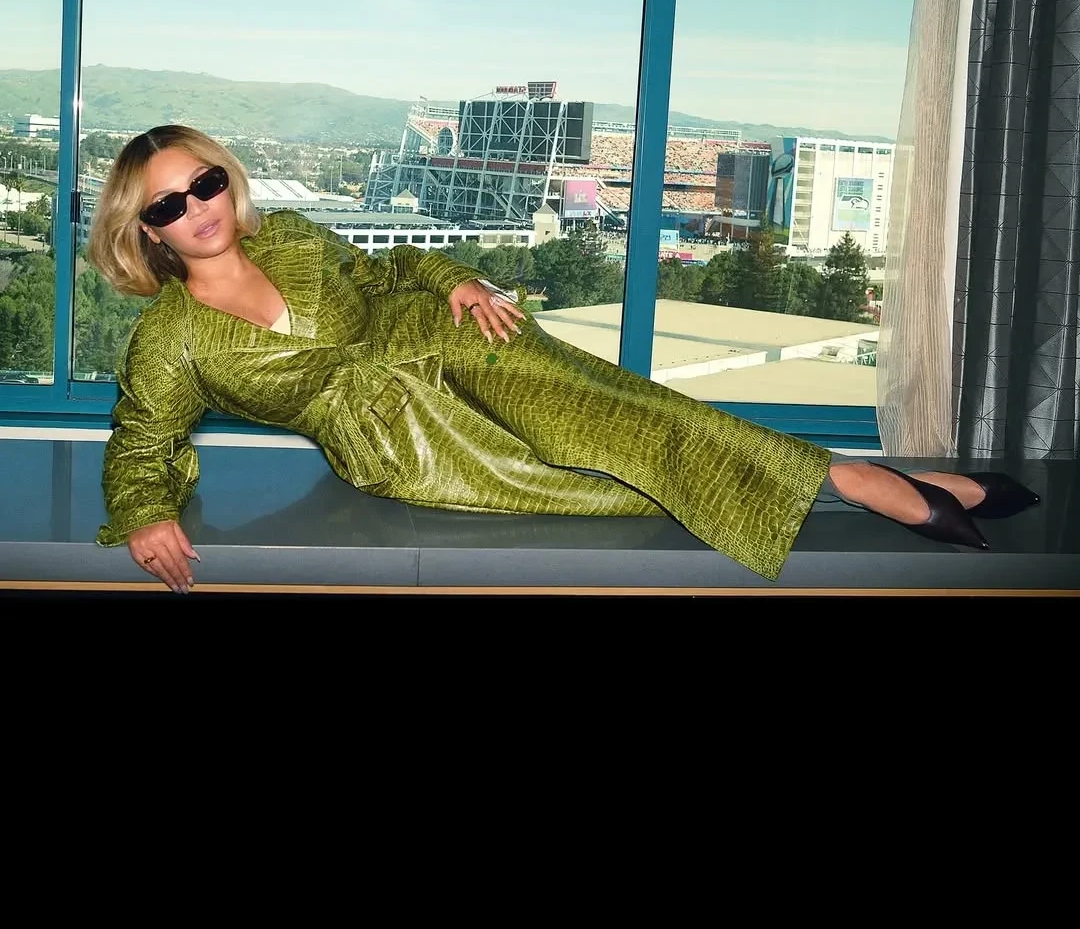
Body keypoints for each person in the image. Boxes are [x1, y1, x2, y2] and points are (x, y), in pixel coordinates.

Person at [87, 126, 1039, 593]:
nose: (196, 208)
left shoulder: (293, 237)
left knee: (638, 420)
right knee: (622, 488)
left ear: (228, 181)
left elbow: (396, 266)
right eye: (168, 205)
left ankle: (865, 482)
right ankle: (893, 485)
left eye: (205, 183)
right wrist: (144, 514)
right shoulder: (170, 339)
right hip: (412, 443)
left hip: (468, 346)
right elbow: (140, 441)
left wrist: (459, 281)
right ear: (146, 231)